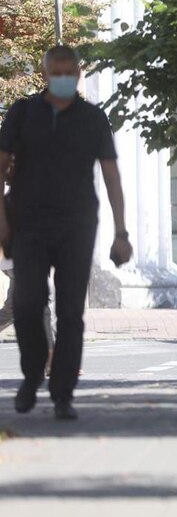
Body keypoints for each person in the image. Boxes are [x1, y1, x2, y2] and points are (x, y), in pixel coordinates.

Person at [0, 45, 133, 420]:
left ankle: (62, 394)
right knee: (27, 303)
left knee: (71, 312)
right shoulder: (22, 113)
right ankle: (32, 375)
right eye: (55, 72)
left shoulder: (93, 118)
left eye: (68, 72)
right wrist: (2, 221)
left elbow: (111, 175)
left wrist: (121, 232)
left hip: (77, 224)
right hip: (27, 223)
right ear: (45, 74)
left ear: (77, 75)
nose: (62, 78)